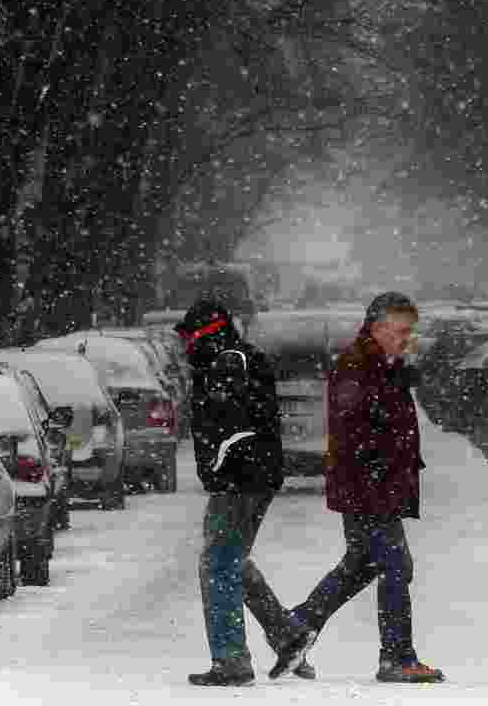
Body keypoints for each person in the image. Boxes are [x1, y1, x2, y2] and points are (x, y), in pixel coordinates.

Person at [269, 291, 445, 684]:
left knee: (363, 564)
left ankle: (294, 626)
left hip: (374, 484)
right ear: (378, 327)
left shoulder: (381, 363)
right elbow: (356, 431)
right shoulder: (358, 365)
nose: (406, 338)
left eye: (409, 331)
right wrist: (382, 464)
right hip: (369, 486)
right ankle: (397, 657)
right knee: (396, 566)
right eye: (400, 331)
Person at [176, 299, 316, 687]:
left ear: (206, 334)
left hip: (240, 480)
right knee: (231, 559)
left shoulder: (227, 363)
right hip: (255, 477)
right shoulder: (238, 358)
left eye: (189, 338)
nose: (185, 347)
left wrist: (220, 465)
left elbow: (233, 425)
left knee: (218, 564)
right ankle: (288, 634)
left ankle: (231, 661)